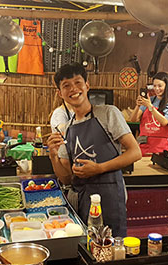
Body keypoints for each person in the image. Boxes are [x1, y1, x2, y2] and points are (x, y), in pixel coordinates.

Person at [47, 63, 142, 237]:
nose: (73, 89)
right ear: (60, 93)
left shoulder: (108, 113)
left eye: (78, 83)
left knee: (111, 248)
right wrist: (53, 155)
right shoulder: (65, 129)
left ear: (87, 86)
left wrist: (99, 168)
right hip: (81, 200)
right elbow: (66, 177)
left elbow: (135, 152)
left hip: (110, 196)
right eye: (66, 86)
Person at [130, 72, 168, 156]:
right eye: (154, 86)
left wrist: (150, 106)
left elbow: (164, 121)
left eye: (160, 86)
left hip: (160, 147)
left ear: (167, 86)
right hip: (143, 144)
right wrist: (137, 106)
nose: (157, 89)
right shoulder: (150, 100)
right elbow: (133, 119)